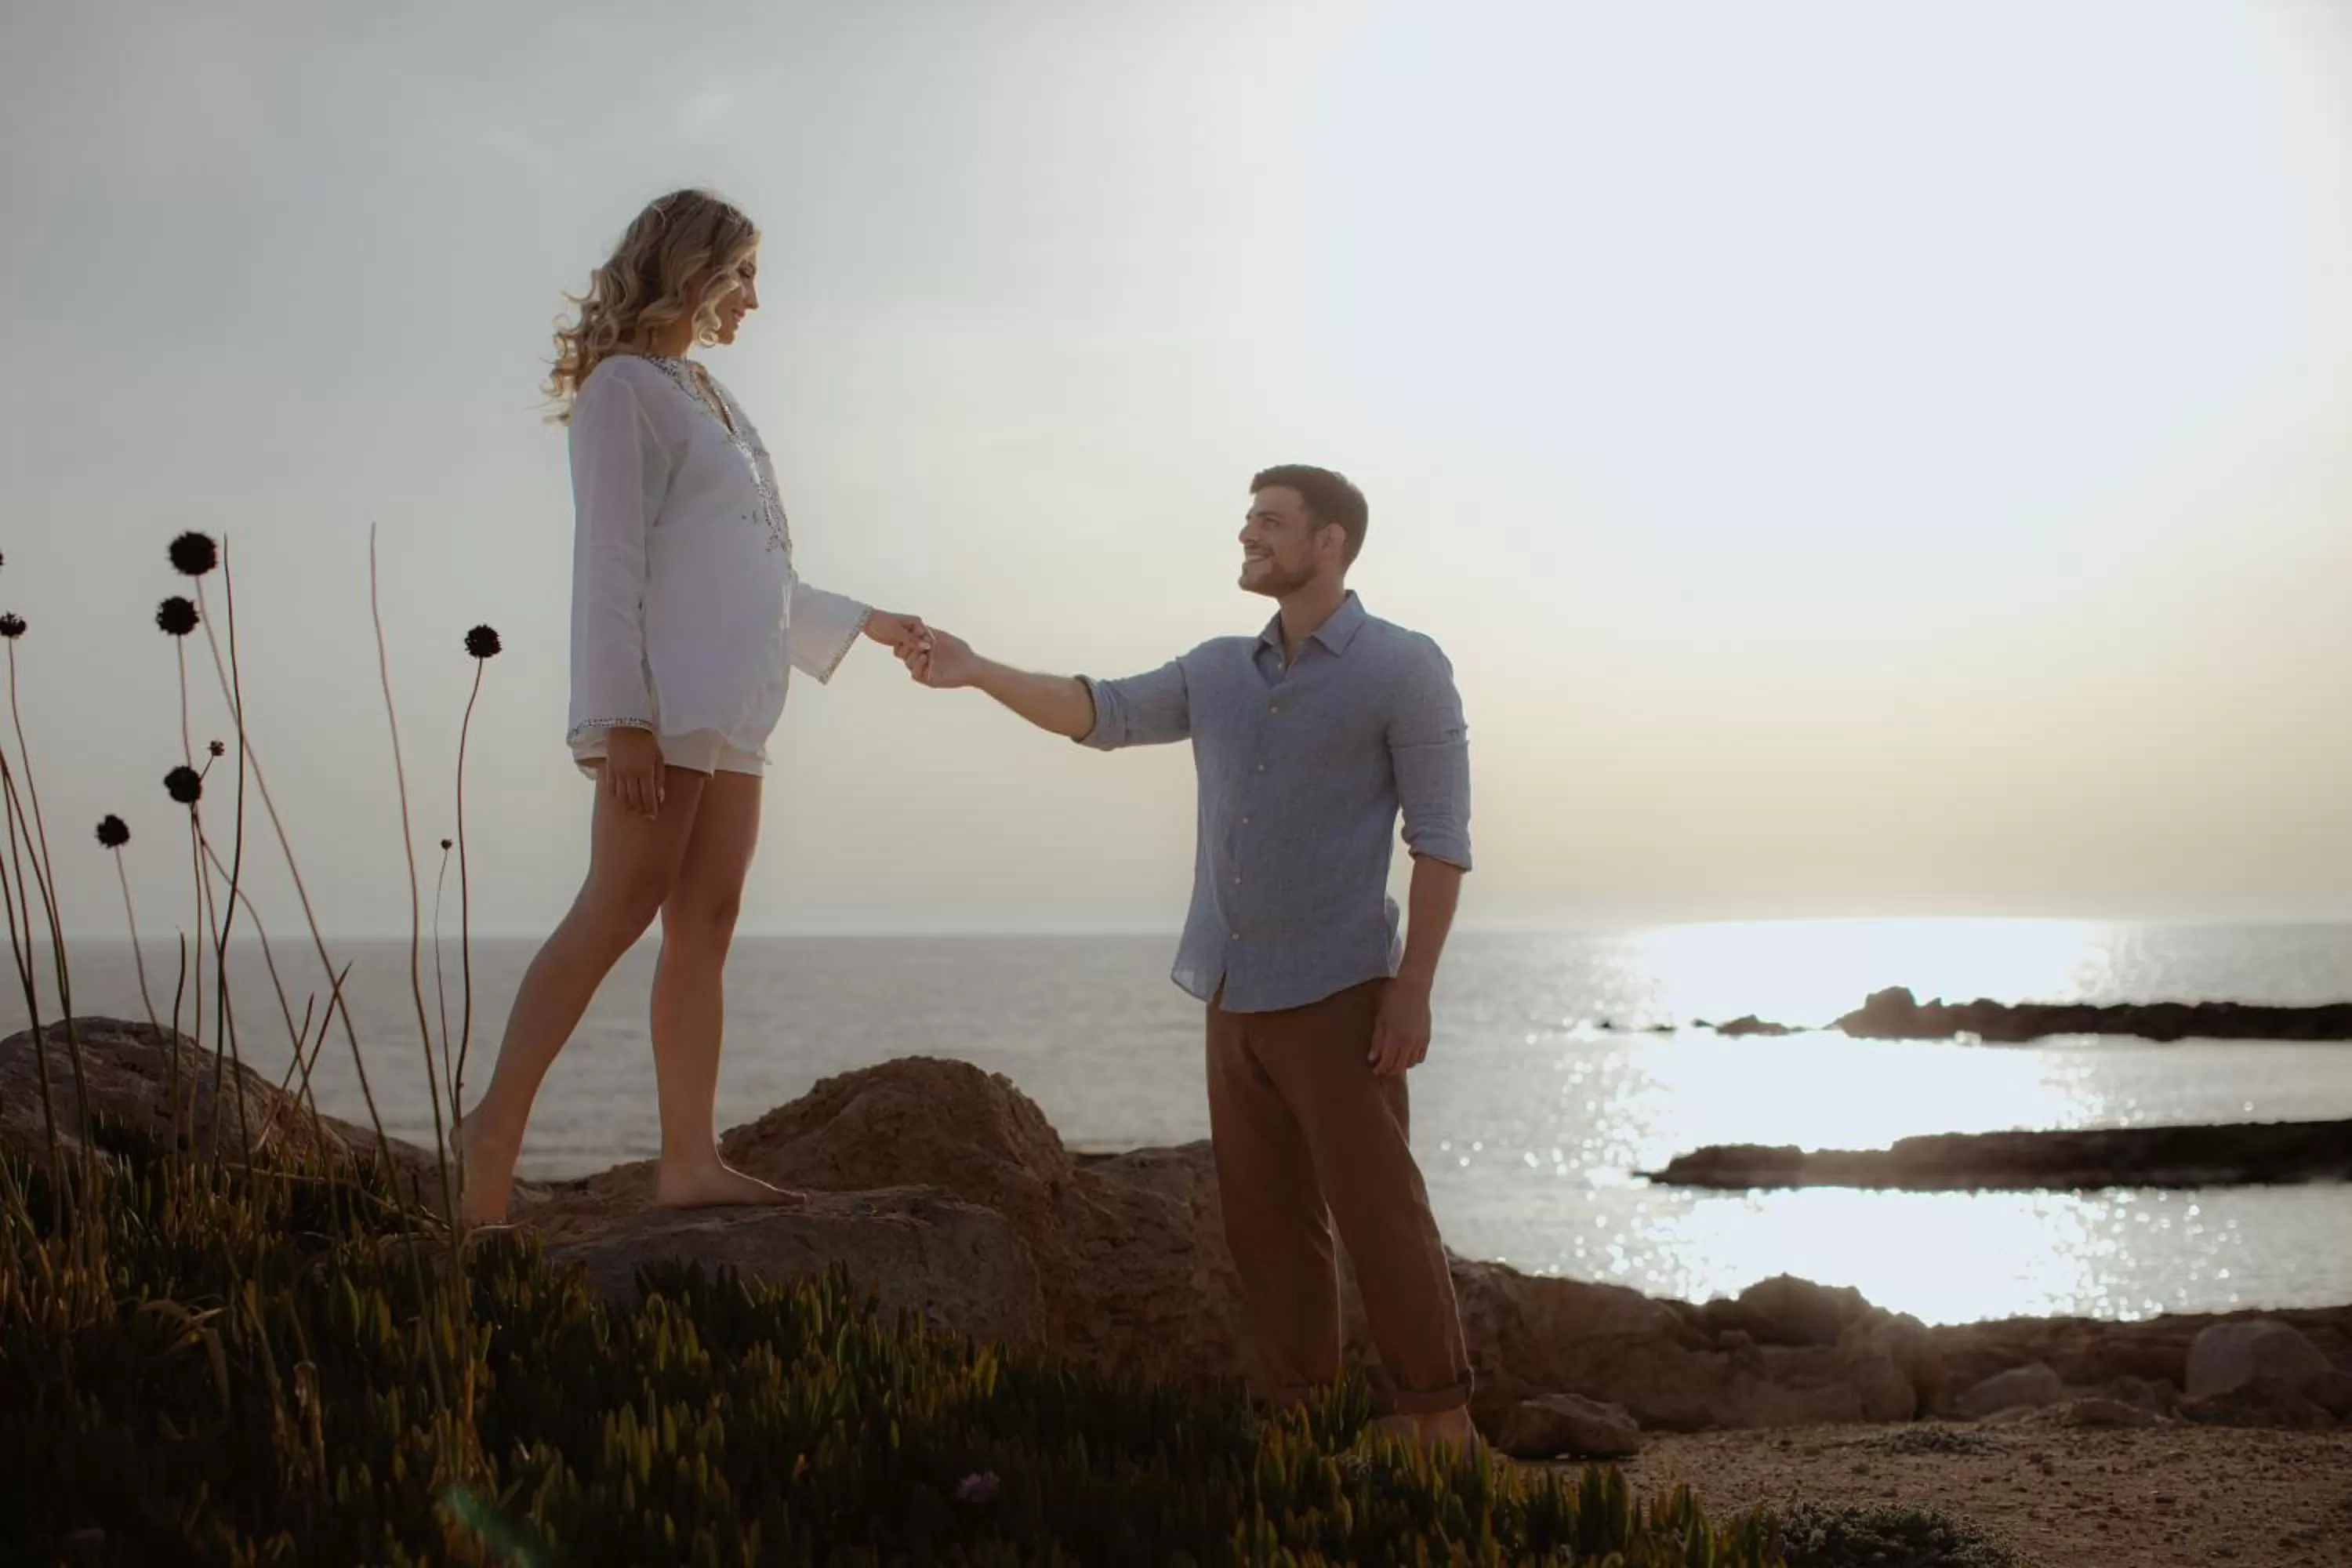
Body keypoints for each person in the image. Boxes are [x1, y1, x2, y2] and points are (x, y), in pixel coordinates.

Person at [900, 465, 1479, 1455]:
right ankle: (1310, 1428)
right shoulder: (1217, 669)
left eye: (1269, 520)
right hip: (1229, 989)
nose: (1248, 534)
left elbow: (1442, 838)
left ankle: (1443, 1422)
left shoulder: (1404, 666)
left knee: (1382, 1217)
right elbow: (1101, 711)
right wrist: (978, 669)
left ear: (1330, 541)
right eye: (1248, 517)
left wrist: (1413, 988)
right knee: (1265, 1229)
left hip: (1343, 990)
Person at [456, 189, 928, 1223]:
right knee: (617, 907)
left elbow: (754, 570)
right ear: (697, 266)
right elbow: (611, 561)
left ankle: (687, 1162)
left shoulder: (713, 397)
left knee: (706, 924)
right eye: (747, 273)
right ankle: (492, 1127)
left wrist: (867, 622)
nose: (757, 298)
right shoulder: (625, 391)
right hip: (662, 706)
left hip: (735, 708)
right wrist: (620, 716)